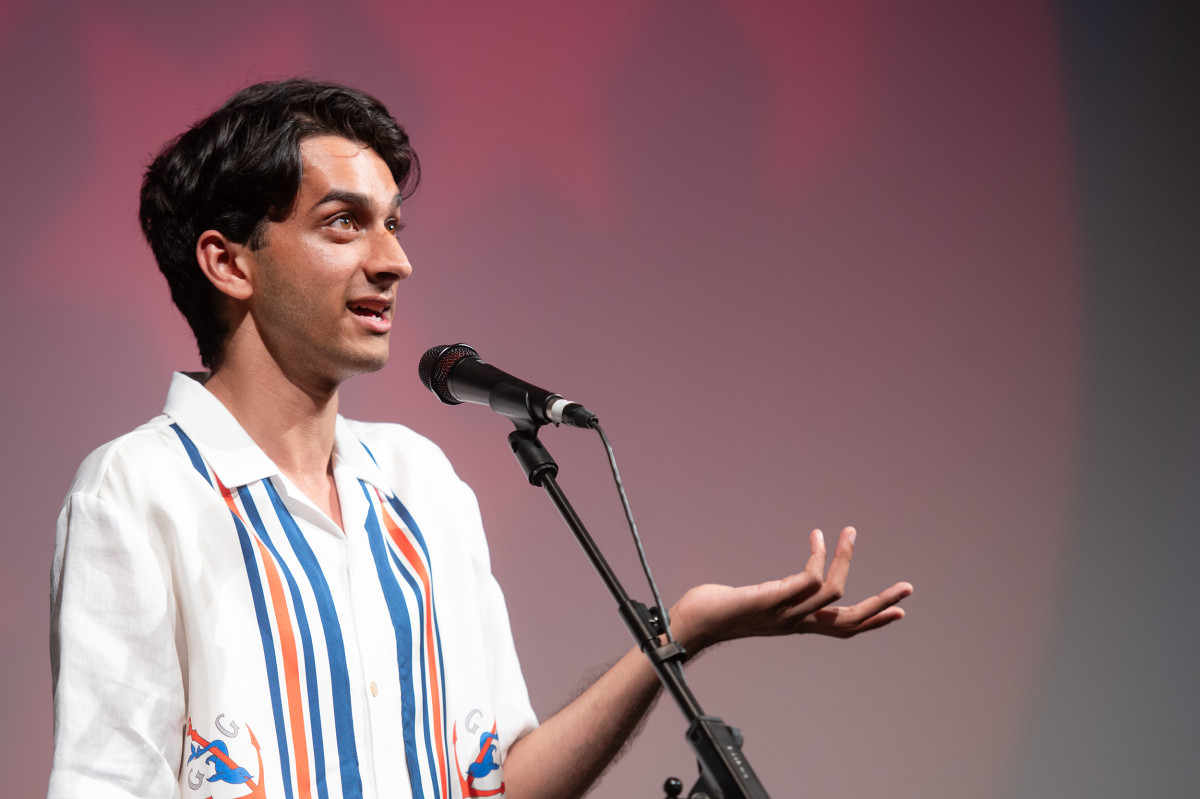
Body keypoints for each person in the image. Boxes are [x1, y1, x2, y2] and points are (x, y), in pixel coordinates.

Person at [49, 79, 913, 799]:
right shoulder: (137, 489)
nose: (394, 261)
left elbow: (505, 779)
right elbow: (106, 782)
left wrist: (682, 628)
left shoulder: (420, 480)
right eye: (345, 222)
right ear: (229, 261)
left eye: (394, 224)